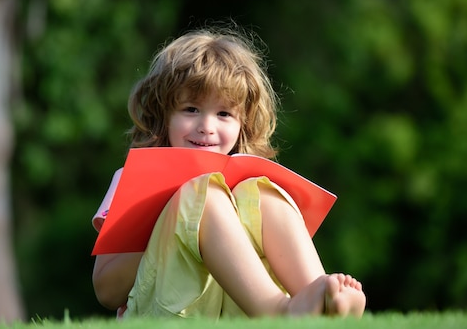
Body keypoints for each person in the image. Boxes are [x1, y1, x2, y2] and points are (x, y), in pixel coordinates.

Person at [91, 26, 366, 319]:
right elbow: (106, 290)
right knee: (203, 193)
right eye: (191, 109)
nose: (206, 126)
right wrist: (170, 222)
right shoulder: (132, 177)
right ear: (164, 115)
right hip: (164, 312)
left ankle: (319, 299)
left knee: (262, 191)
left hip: (234, 316)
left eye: (223, 114)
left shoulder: (249, 190)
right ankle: (279, 311)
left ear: (242, 124)